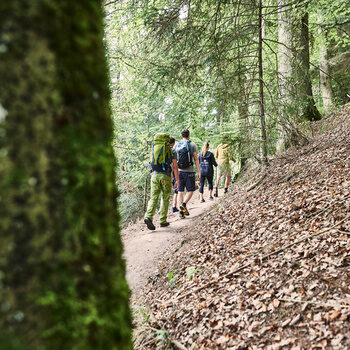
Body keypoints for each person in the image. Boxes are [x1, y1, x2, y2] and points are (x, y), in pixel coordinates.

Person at [144, 133, 180, 230]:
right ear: (171, 143)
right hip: (165, 176)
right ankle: (162, 220)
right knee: (165, 197)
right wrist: (177, 180)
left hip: (154, 175)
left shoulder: (155, 148)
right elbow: (175, 167)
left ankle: (148, 216)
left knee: (153, 197)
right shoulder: (172, 151)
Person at [174, 129, 201, 219]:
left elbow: (173, 160)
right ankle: (184, 204)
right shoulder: (192, 144)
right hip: (189, 171)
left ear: (181, 136)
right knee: (190, 190)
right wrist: (199, 171)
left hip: (179, 171)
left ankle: (181, 213)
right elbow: (196, 159)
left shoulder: (177, 145)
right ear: (189, 135)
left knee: (180, 191)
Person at [170, 137, 179, 213]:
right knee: (177, 190)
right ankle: (175, 206)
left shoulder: (165, 151)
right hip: (173, 173)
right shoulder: (173, 151)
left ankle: (174, 206)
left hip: (168, 173)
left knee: (175, 191)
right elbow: (174, 166)